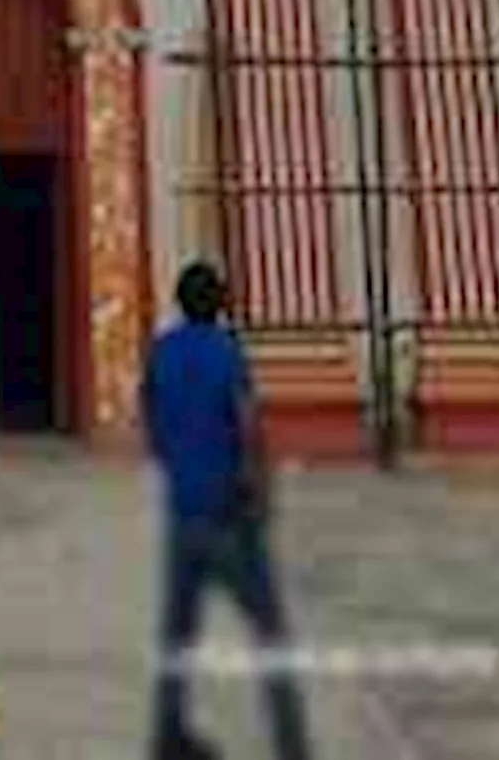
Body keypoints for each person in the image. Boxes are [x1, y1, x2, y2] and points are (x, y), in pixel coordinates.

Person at [142, 260, 314, 760]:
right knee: (272, 634)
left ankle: (168, 737)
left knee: (176, 636)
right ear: (219, 303)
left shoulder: (162, 351)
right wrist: (263, 495)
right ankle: (292, 744)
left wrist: (177, 464)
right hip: (228, 515)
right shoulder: (226, 350)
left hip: (182, 512)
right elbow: (248, 426)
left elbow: (149, 421)